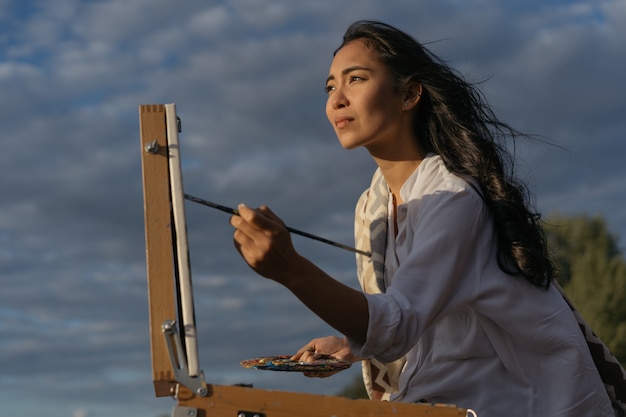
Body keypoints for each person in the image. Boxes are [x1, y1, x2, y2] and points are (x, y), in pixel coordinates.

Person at [229, 20, 614, 416]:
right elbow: (415, 319)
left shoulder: (454, 196)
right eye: (330, 87)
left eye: (355, 79)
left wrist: (291, 270)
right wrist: (353, 345)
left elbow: (397, 324)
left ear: (410, 94)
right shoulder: (373, 205)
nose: (337, 99)